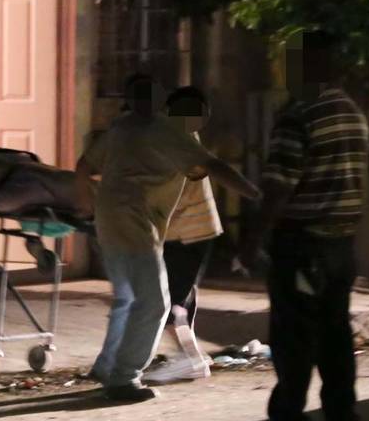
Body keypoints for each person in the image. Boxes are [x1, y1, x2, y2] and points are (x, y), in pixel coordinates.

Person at [76, 74, 260, 402]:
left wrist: (91, 205)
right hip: (136, 226)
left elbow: (83, 166)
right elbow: (215, 167)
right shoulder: (168, 130)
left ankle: (112, 369)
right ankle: (123, 378)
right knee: (154, 303)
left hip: (111, 224)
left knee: (130, 300)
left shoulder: (121, 127)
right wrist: (258, 195)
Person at [237, 33, 369, 421]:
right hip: (341, 245)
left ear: (310, 66)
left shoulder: (299, 115)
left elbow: (279, 186)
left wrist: (252, 239)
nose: (285, 71)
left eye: (291, 62)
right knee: (335, 336)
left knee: (293, 339)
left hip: (303, 246)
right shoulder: (350, 112)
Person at [144, 86, 224, 385]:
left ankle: (189, 359)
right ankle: (189, 356)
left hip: (184, 233)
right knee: (181, 296)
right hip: (198, 230)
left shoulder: (173, 140)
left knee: (167, 300)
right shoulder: (186, 135)